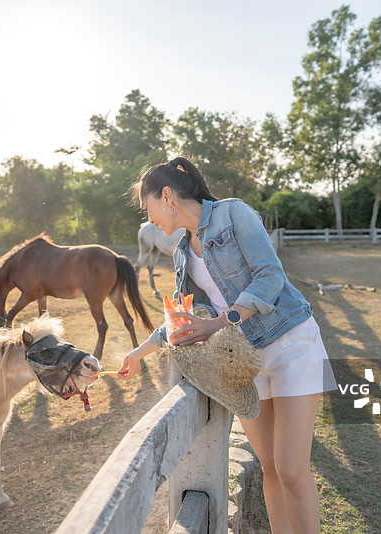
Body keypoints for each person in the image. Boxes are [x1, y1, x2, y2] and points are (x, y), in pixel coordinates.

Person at [117, 156, 333, 534]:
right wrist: (139, 353)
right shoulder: (183, 252)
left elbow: (270, 276)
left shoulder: (234, 214)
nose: (145, 215)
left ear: (167, 196)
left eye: (145, 205)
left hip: (291, 342)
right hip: (246, 362)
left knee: (292, 470)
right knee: (269, 468)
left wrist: (220, 322)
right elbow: (182, 320)